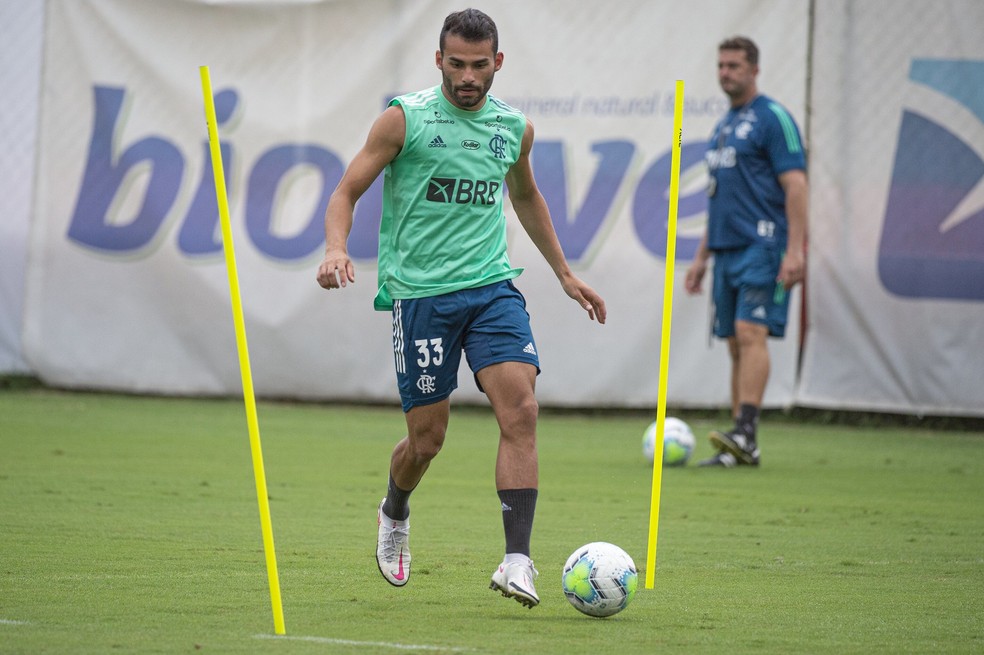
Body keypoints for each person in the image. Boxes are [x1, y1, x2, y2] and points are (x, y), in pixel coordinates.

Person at [315, 9, 606, 608]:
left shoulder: (512, 128)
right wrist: (336, 248)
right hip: (421, 297)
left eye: (479, 65)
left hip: (492, 288)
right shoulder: (406, 119)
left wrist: (565, 274)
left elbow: (525, 196)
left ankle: (517, 561)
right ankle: (394, 511)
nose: (467, 76)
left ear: (498, 63)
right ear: (438, 60)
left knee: (521, 409)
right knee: (427, 440)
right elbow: (346, 191)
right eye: (456, 64)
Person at [684, 36, 807, 468]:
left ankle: (747, 434)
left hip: (765, 243)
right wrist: (702, 257)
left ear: (754, 69)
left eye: (734, 65)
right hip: (726, 250)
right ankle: (739, 441)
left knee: (751, 333)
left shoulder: (773, 119)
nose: (725, 73)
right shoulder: (722, 126)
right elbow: (719, 197)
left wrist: (796, 250)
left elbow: (796, 185)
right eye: (720, 65)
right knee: (735, 341)